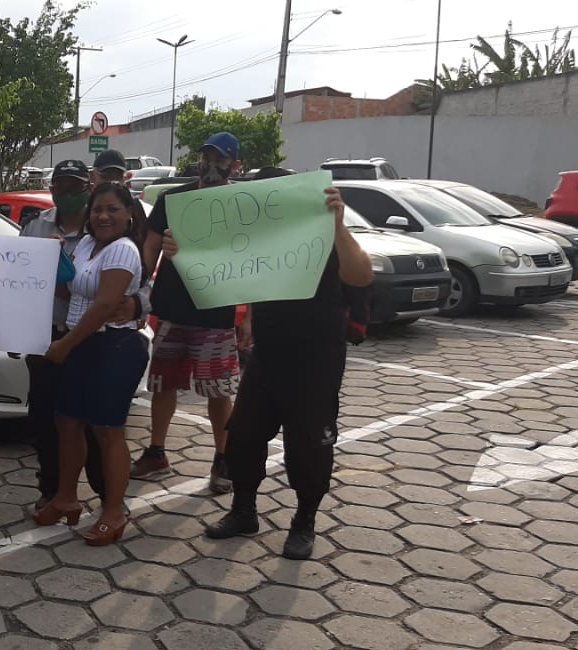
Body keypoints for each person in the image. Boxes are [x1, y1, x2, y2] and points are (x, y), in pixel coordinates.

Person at [203, 171, 374, 560]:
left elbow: (362, 276)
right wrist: (184, 251)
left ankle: (304, 522)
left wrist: (337, 226)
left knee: (309, 445)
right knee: (243, 435)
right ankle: (243, 511)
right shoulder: (264, 241)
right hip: (269, 353)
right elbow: (223, 272)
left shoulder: (325, 234)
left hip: (317, 358)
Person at [134, 132, 249, 492]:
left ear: (235, 165)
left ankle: (223, 458)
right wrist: (138, 295)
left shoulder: (243, 204)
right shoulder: (174, 199)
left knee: (219, 389)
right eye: (206, 157)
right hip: (170, 308)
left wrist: (250, 319)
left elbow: (253, 260)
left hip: (216, 311)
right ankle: (156, 452)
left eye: (220, 159)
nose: (211, 165)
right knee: (163, 383)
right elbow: (149, 248)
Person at [35, 183, 149, 546]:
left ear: (129, 214)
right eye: (97, 209)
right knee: (67, 423)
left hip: (113, 346)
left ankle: (114, 512)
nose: (103, 216)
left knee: (107, 431)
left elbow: (103, 305)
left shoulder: (124, 250)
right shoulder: (85, 244)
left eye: (113, 209)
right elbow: (72, 291)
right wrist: (46, 262)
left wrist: (65, 344)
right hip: (84, 344)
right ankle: (66, 497)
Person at [20, 159, 107, 507]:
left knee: (94, 423)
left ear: (88, 186)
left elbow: (106, 291)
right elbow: (17, 281)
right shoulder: (34, 227)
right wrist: (16, 333)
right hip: (44, 340)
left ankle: (105, 492)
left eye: (76, 186)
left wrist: (57, 277)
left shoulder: (102, 229)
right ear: (52, 188)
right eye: (62, 186)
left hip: (90, 342)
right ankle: (51, 490)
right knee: (45, 422)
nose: (68, 192)